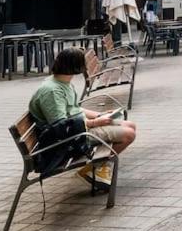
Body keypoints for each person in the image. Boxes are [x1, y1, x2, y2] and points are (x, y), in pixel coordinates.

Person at [28, 47, 137, 187]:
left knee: (130, 125)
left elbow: (74, 108)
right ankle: (93, 170)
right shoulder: (52, 91)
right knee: (129, 134)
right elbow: (61, 126)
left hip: (79, 129)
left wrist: (100, 115)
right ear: (77, 66)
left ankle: (98, 168)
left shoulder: (62, 82)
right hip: (68, 140)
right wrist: (95, 122)